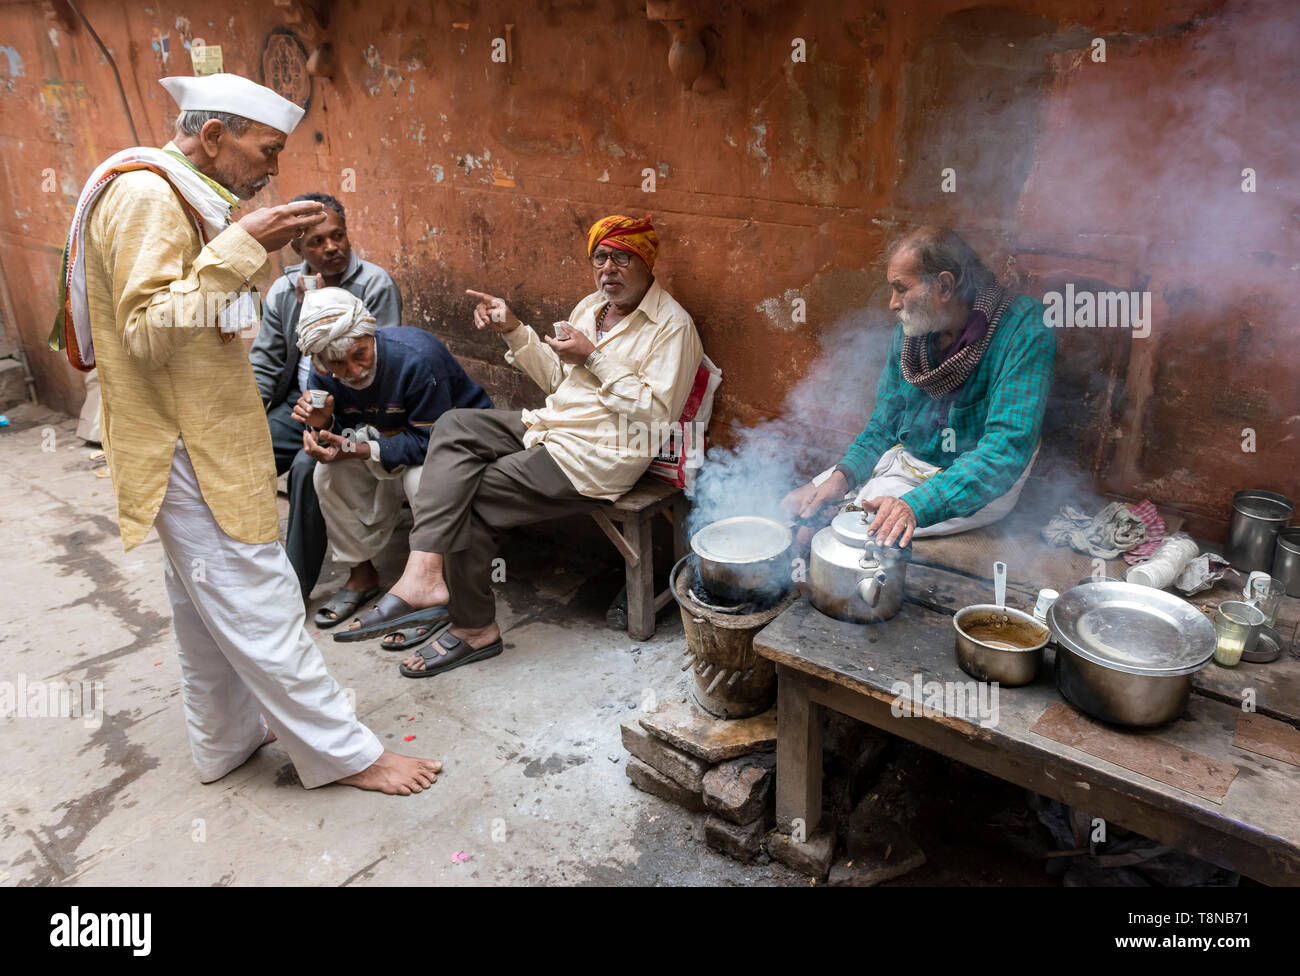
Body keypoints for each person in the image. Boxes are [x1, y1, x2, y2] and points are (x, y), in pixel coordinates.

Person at [53, 72, 439, 794]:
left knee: (204, 608)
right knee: (262, 599)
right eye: (266, 150)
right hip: (184, 441)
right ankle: (347, 756)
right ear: (214, 137)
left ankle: (225, 741)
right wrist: (241, 248)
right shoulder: (146, 196)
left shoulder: (179, 193)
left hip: (201, 434)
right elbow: (142, 333)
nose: (271, 169)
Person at [336, 215, 704, 678]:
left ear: (646, 262)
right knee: (453, 425)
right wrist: (512, 328)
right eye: (600, 258)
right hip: (551, 425)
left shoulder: (673, 327)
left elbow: (655, 416)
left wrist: (593, 355)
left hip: (596, 456)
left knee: (468, 492)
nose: (608, 268)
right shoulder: (592, 307)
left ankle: (472, 629)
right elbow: (558, 379)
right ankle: (425, 569)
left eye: (621, 257)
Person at [783, 226, 1055, 549]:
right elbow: (884, 424)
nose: (892, 304)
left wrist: (914, 506)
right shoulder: (912, 332)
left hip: (972, 482)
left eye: (901, 289)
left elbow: (1004, 452)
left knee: (840, 533)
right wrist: (842, 477)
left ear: (944, 285)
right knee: (794, 509)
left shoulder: (1026, 329)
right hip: (904, 460)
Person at [290, 287, 492, 628]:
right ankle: (361, 575)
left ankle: (436, 584)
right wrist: (321, 428)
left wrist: (361, 448)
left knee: (422, 480)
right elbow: (343, 431)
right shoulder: (323, 370)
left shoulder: (416, 356)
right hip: (385, 441)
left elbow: (434, 441)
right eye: (338, 363)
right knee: (327, 475)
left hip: (453, 444)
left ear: (371, 335)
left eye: (360, 354)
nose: (353, 371)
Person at [249, 192, 401, 599]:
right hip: (295, 404)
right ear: (297, 247)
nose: (332, 247)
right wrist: (245, 416)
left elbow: (374, 366)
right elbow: (265, 362)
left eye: (338, 235)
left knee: (305, 469)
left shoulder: (374, 284)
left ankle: (299, 588)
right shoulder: (283, 291)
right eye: (316, 242)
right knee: (242, 454)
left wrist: (316, 309)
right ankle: (248, 572)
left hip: (352, 407)